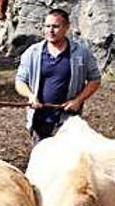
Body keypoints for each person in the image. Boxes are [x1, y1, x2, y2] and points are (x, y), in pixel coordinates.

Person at [14, 9, 101, 143]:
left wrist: (78, 100)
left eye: (55, 26)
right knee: (42, 158)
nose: (50, 31)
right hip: (39, 118)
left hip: (68, 120)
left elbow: (94, 80)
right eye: (47, 26)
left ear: (66, 27)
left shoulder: (81, 53)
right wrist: (31, 96)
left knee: (67, 160)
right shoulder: (32, 53)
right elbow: (20, 81)